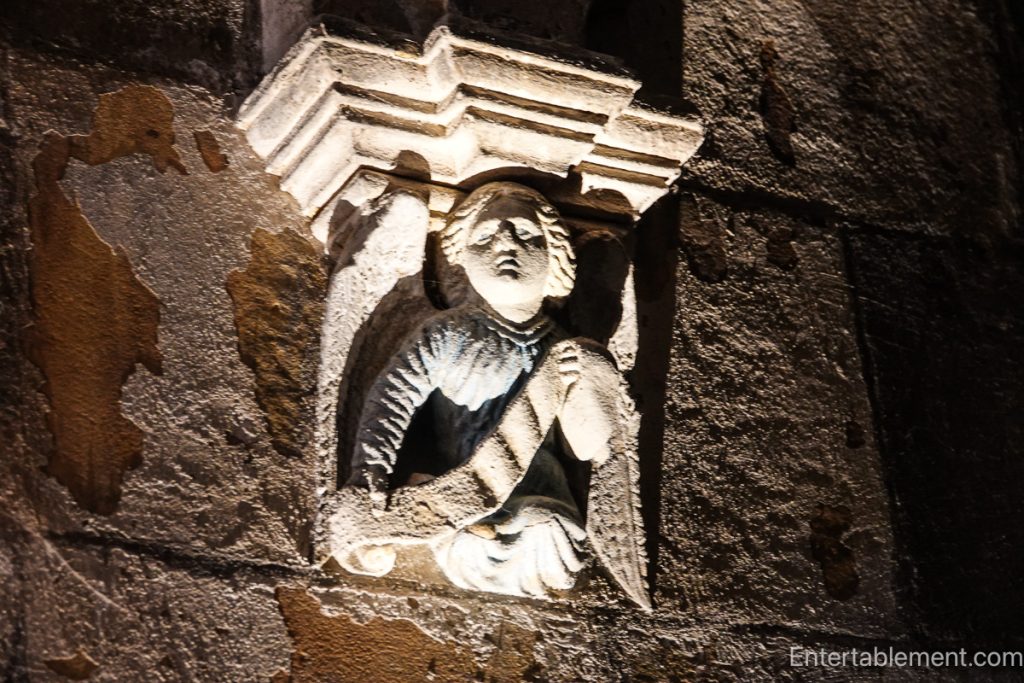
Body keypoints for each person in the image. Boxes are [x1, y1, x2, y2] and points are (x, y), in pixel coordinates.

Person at [341, 182, 622, 599]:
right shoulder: (449, 333)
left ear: (556, 256)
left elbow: (590, 449)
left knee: (546, 529)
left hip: (543, 500)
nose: (506, 245)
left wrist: (593, 376)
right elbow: (392, 399)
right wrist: (369, 476)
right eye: (485, 236)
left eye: (526, 235)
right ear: (462, 258)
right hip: (466, 496)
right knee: (473, 539)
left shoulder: (561, 344)